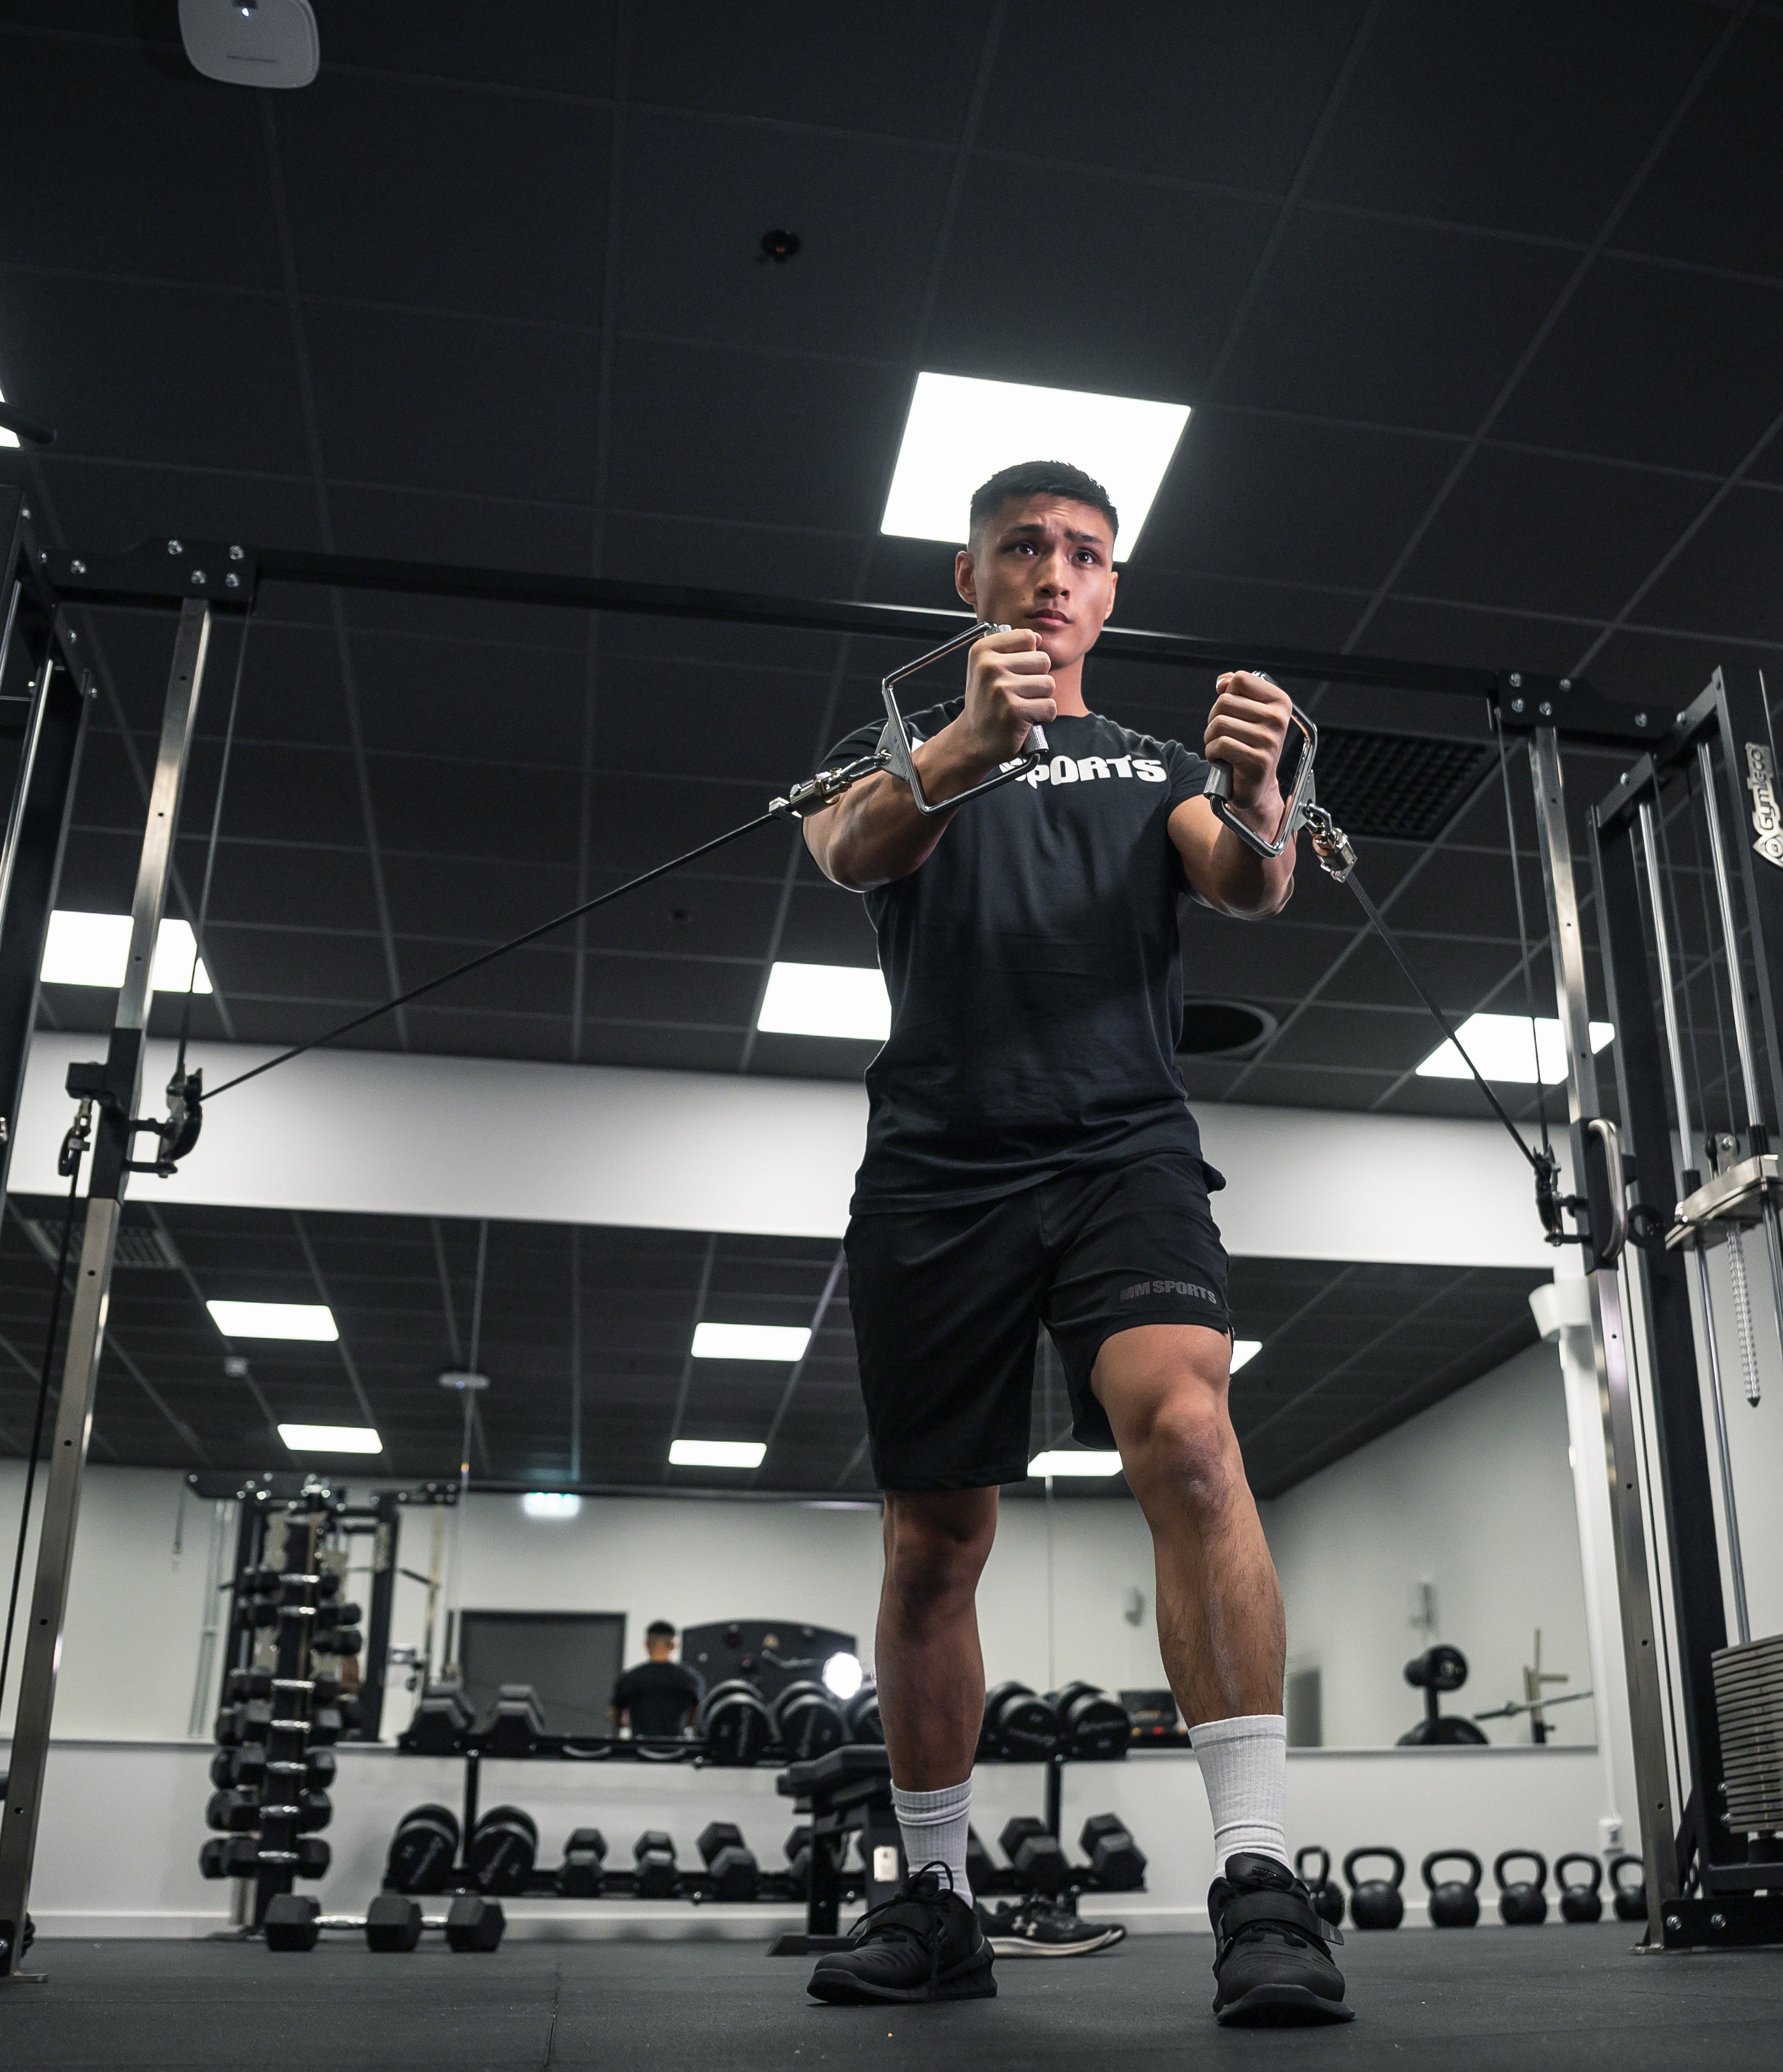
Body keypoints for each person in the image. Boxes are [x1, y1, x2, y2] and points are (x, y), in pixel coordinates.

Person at [791, 461, 1347, 2025]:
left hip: (1122, 1149)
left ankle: (1255, 1879)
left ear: (1111, 594)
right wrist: (975, 740)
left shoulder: (1147, 761)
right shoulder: (898, 753)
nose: (1054, 572)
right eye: (1022, 548)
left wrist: (1257, 798)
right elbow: (848, 853)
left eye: (1085, 555)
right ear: (969, 583)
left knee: (1186, 1432)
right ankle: (936, 1896)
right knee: (936, 1541)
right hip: (936, 1171)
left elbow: (1245, 880)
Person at [609, 1620, 702, 1741]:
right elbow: (696, 1718)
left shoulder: (630, 1678)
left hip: (640, 1752)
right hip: (676, 1752)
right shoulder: (690, 1679)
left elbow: (617, 1718)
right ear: (674, 1645)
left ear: (647, 1644)